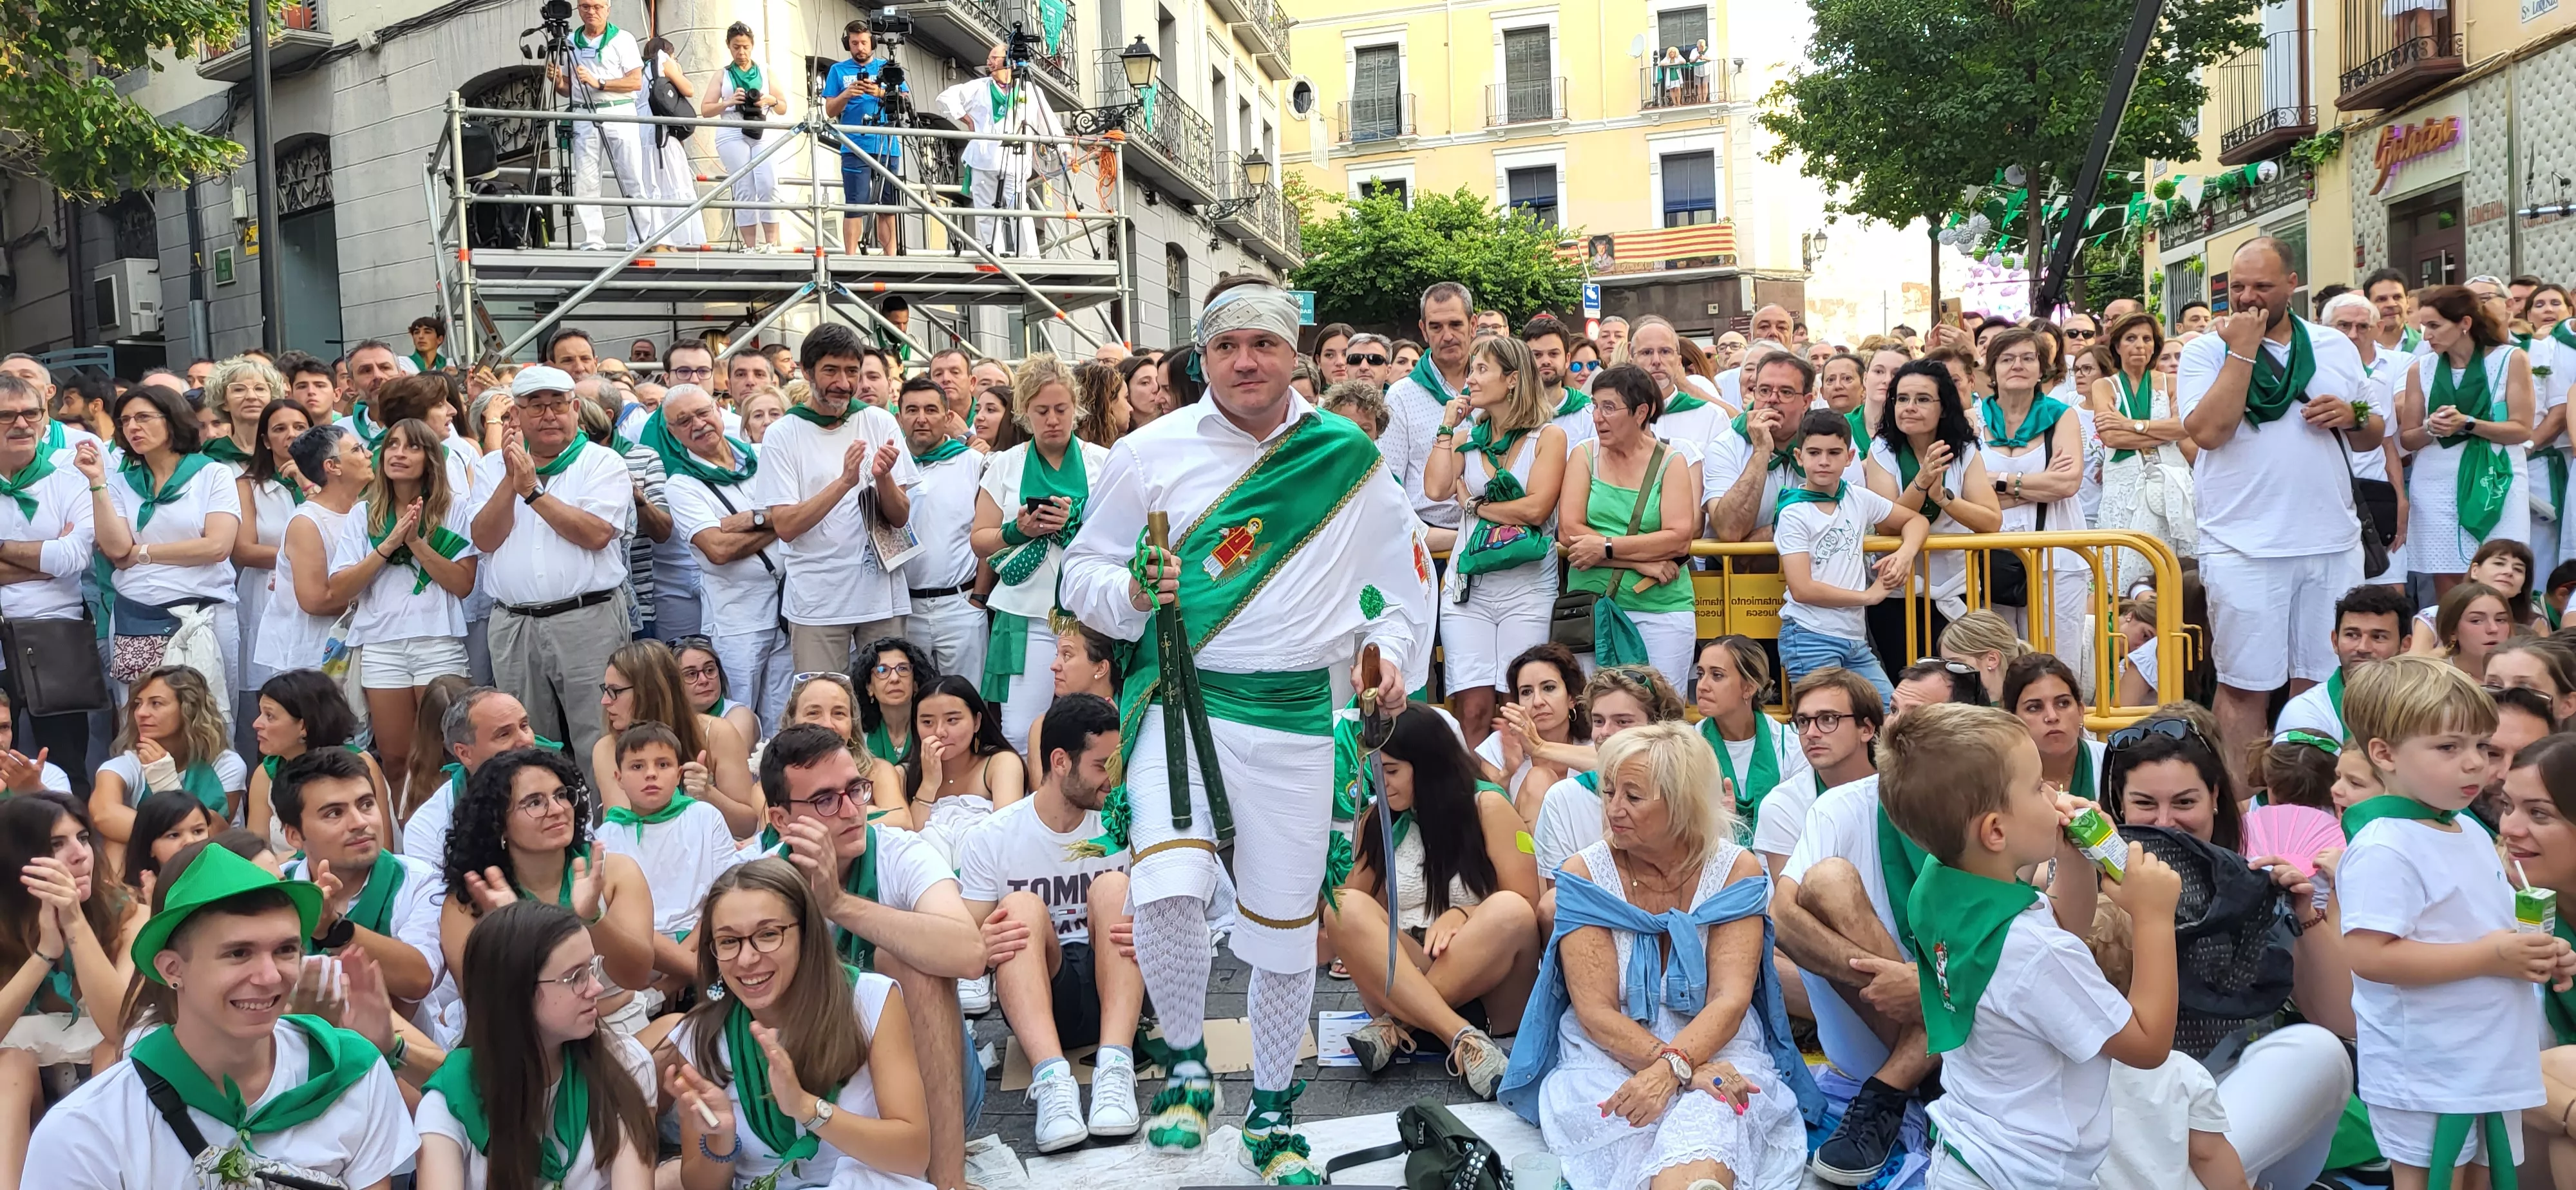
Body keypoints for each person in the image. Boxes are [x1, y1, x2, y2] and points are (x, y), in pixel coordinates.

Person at [1056, 277, 1431, 1180]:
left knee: (1283, 927)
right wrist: (1137, 591)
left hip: (1302, 714)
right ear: (1203, 358)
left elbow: (1402, 585)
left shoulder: (1345, 456)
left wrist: (1387, 664)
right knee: (1168, 888)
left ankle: (1270, 1114)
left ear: (1292, 354)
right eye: (1227, 347)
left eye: (1262, 344)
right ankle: (1185, 1068)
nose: (1245, 361)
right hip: (1179, 704)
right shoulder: (1147, 453)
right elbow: (1081, 574)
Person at [1495, 721, 1823, 1189]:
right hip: (1610, 1050)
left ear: (1682, 802)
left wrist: (1676, 1069)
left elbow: (1730, 1000)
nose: (1614, 809)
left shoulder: (1735, 869)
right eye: (1609, 792)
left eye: (1633, 796)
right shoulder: (1585, 873)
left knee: (1717, 1111)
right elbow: (1595, 1011)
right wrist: (1681, 1069)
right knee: (1634, 1116)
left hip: (1719, 1041)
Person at [1874, 703, 2181, 1189]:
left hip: (1972, 1155)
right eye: (2039, 786)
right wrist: (2154, 918)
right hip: (2030, 1174)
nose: (2056, 794)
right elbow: (2148, 1045)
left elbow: (2061, 927)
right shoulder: (2033, 952)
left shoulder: (1939, 887)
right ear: (1996, 831)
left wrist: (2072, 856)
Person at [28, 843, 415, 1184]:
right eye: (238, 953)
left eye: (285, 950)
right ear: (172, 970)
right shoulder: (86, 1131)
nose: (269, 976)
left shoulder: (350, 1072)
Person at [2341, 656, 2569, 1187]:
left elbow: (2485, 928)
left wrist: (2534, 952)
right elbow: (2370, 955)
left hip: (2487, 1058)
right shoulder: (2385, 845)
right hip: (2427, 1069)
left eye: (2481, 747)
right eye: (2449, 748)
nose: (2475, 765)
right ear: (2384, 753)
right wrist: (2491, 956)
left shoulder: (2467, 831)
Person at [2180, 237, 2382, 781]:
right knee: (2245, 685)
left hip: (2330, 543)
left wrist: (2352, 415)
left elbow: (2372, 433)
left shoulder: (2333, 346)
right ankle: (2243, 810)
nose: (2247, 298)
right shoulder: (2206, 350)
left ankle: (2312, 803)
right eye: (2237, 287)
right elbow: (2208, 432)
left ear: (2293, 284)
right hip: (2242, 545)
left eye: (2262, 287)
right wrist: (2241, 350)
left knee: (2318, 683)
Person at [755, 723, 983, 1190]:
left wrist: (838, 905)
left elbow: (969, 953)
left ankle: (947, 1182)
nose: (850, 810)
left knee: (907, 964)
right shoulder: (757, 881)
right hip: (828, 1091)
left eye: (855, 790)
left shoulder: (901, 852)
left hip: (930, 1087)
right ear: (781, 821)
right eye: (825, 800)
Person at [664, 857, 933, 1190]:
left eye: (768, 934)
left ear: (806, 936)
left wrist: (807, 1108)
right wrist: (720, 1140)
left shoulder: (870, 1000)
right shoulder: (699, 1037)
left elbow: (914, 1155)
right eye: (729, 941)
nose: (747, 959)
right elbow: (700, 1186)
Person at [955, 692, 1142, 1150]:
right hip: (1042, 995)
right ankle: (1054, 1083)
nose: (1112, 781)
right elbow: (966, 952)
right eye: (1102, 766)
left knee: (1114, 890)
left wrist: (1157, 929)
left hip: (1120, 987)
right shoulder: (991, 837)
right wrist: (984, 939)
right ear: (1061, 762)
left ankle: (1115, 1068)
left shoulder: (1129, 821)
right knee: (1018, 908)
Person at [1323, 703, 1536, 1099]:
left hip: (1490, 989)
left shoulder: (1486, 805)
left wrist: (1463, 914)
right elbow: (1354, 913)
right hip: (1409, 974)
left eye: (1392, 771)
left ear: (1429, 765)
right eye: (1375, 769)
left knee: (1511, 911)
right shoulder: (1379, 819)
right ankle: (1458, 1037)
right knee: (1342, 905)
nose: (1380, 782)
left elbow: (1528, 903)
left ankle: (1397, 1027)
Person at [416, 900, 657, 1190]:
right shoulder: (451, 1098)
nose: (596, 988)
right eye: (575, 977)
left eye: (591, 969)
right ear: (515, 992)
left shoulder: (628, 1064)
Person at [470, 366, 636, 773]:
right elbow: (484, 539)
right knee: (524, 741)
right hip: (515, 624)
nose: (549, 415)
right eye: (536, 406)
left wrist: (532, 491)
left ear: (576, 409)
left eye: (558, 405)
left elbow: (596, 534)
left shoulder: (602, 462)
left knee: (599, 736)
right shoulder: (493, 467)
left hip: (587, 619)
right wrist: (511, 478)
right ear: (517, 416)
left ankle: (603, 828)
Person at [437, 746, 657, 1017]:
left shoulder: (615, 871)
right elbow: (490, 1010)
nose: (557, 810)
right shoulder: (469, 902)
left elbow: (636, 976)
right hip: (526, 1046)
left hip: (621, 1027)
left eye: (561, 795)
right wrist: (509, 931)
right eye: (534, 802)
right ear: (499, 823)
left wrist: (593, 918)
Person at [750, 325, 917, 677]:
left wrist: (884, 477)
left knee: (888, 704)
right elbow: (785, 526)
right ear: (806, 371)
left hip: (881, 600)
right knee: (822, 710)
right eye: (831, 370)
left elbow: (900, 518)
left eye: (851, 371)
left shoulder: (879, 420)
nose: (843, 382)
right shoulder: (784, 433)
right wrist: (845, 482)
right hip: (817, 604)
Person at [1426, 335, 1567, 746]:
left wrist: (1475, 507)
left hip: (1527, 591)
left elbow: (1536, 509)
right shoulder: (1466, 436)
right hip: (1467, 591)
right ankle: (1476, 804)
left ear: (1512, 379)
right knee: (1472, 709)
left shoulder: (1549, 437)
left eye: (1481, 369)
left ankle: (1518, 801)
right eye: (1471, 370)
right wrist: (1447, 427)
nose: (1469, 379)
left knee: (1517, 708)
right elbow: (1435, 488)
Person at [339, 417, 480, 801]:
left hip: (437, 640)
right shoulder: (361, 515)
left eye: (412, 446)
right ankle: (404, 843)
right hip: (381, 646)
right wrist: (387, 546)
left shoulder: (457, 510)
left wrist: (416, 542)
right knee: (396, 759)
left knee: (442, 755)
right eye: (393, 445)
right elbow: (343, 587)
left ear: (430, 458)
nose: (399, 453)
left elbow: (462, 584)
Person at [972, 355, 1106, 752]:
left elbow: (1123, 535)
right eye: (1041, 410)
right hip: (1023, 615)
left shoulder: (1103, 462)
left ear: (1076, 409)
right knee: (1019, 730)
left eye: (1061, 409)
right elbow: (980, 539)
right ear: (1024, 414)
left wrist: (1074, 525)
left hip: (1089, 616)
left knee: (1094, 726)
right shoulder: (1004, 465)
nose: (1052, 419)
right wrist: (1019, 530)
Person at [0, 793, 133, 1182]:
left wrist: (75, 925)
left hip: (101, 1089)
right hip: (18, 1100)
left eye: (83, 838)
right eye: (58, 845)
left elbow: (119, 1027)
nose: (80, 855)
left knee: (115, 1050)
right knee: (11, 1063)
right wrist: (44, 954)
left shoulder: (129, 915)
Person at [82, 381, 243, 697]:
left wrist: (141, 553)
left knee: (209, 721)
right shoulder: (119, 482)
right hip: (136, 615)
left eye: (143, 417)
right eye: (125, 421)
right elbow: (116, 549)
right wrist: (97, 483)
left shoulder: (213, 474)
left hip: (204, 612)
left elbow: (217, 547)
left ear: (171, 420)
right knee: (140, 719)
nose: (133, 427)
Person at [652, 386, 790, 732]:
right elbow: (718, 549)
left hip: (790, 606)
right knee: (738, 718)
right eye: (683, 421)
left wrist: (748, 520)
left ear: (718, 408)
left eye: (702, 413)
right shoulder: (681, 485)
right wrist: (779, 520)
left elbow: (803, 508)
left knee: (783, 715)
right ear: (672, 432)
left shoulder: (764, 456)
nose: (697, 424)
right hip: (738, 619)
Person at [1558, 364, 1698, 682]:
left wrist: (1605, 548)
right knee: (1596, 716)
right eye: (1594, 406)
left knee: (1661, 717)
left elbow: (1678, 539)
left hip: (1660, 609)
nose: (1597, 417)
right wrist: (1641, 563)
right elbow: (1569, 531)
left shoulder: (1671, 461)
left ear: (1641, 412)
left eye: (1609, 407)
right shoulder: (1583, 455)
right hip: (1591, 609)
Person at [272, 747, 440, 1009]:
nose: (359, 822)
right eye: (334, 813)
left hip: (396, 1048)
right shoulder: (278, 888)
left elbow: (419, 979)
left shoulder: (420, 881)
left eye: (366, 804)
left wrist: (333, 930)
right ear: (294, 835)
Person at [1776, 409, 1922, 699]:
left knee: (1890, 714)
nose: (1824, 461)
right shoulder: (1793, 512)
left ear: (1850, 457)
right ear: (1799, 456)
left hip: (1854, 638)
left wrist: (1904, 555)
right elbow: (1802, 588)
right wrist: (1868, 596)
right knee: (1823, 724)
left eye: (1834, 453)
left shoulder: (1856, 496)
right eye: (1815, 452)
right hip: (1810, 636)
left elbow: (1917, 521)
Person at [1860, 359, 2000, 661]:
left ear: (1944, 407)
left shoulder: (1964, 450)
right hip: (1897, 592)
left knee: (1959, 686)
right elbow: (1886, 525)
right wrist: (1921, 482)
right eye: (1902, 399)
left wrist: (1945, 498)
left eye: (1922, 399)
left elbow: (1991, 521)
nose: (1909, 407)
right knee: (1910, 684)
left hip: (1957, 589)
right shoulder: (1882, 450)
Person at [2401, 285, 2537, 592]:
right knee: (2448, 582)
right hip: (2437, 483)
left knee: (2501, 576)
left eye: (2434, 326)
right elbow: (2408, 439)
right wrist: (2430, 428)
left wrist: (2469, 424)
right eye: (2424, 326)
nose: (2426, 336)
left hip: (2495, 479)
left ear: (2465, 323)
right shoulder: (2420, 369)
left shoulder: (2510, 359)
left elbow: (2522, 429)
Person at [598, 720, 741, 1001]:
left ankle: (664, 992)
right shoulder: (608, 835)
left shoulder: (704, 816)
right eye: (637, 767)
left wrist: (683, 956)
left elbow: (724, 893)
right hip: (640, 950)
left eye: (663, 765)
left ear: (678, 774)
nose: (651, 774)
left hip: (702, 939)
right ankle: (673, 987)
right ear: (619, 778)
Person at [0, 373, 96, 784]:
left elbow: (74, 556)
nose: (21, 424)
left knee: (65, 764)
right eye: (5, 416)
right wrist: (44, 556)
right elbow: (58, 556)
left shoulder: (69, 480)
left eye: (31, 414)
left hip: (54, 635)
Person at [1529, 665, 1692, 881]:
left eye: (1622, 722)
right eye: (1598, 721)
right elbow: (1558, 902)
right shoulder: (1562, 798)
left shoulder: (1685, 791)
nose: (1605, 733)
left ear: (1659, 726)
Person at [592, 639, 760, 836]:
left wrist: (707, 793)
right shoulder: (607, 748)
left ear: (649, 691)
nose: (605, 702)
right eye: (606, 691)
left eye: (615, 692)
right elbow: (629, 830)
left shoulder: (716, 733)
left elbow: (748, 826)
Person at [256, 424, 367, 686]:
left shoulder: (363, 509)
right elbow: (315, 601)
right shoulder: (307, 522)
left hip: (353, 647)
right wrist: (381, 597)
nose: (368, 455)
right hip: (311, 659)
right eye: (357, 449)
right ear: (333, 466)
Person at [88, 665, 245, 847]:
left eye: (156, 703)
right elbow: (103, 815)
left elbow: (216, 836)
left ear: (189, 709)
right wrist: (173, 835)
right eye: (138, 704)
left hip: (206, 864)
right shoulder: (126, 764)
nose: (141, 713)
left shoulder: (225, 764)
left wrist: (166, 784)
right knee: (116, 845)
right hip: (147, 864)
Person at [245, 667, 393, 855]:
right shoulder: (265, 774)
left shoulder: (361, 766)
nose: (256, 724)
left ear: (304, 726)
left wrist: (296, 861)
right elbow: (257, 854)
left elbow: (383, 850)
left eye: (270, 716)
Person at [896, 377, 986, 682]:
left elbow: (987, 532)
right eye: (912, 410)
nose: (921, 419)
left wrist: (978, 600)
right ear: (899, 417)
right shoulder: (888, 467)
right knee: (912, 704)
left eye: (931, 410)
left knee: (968, 701)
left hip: (960, 605)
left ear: (948, 417)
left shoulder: (974, 464)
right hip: (906, 608)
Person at [936, 43, 1063, 257]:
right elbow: (945, 98)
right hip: (983, 160)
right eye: (989, 58)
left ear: (1009, 61)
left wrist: (1063, 147)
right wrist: (966, 120)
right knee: (986, 212)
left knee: (1018, 208)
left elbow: (1047, 121)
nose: (989, 62)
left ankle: (1028, 257)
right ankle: (993, 254)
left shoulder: (1028, 89)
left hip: (1015, 160)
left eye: (994, 57)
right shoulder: (979, 87)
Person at [1690, 636, 1812, 855]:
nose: (1702, 686)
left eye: (1716, 675)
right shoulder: (1687, 745)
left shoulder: (1790, 744)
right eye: (1701, 674)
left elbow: (1803, 820)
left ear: (1749, 688)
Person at [1762, 667, 1882, 874]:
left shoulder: (1904, 791)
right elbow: (1790, 903)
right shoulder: (1782, 805)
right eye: (1803, 722)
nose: (1811, 733)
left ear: (1867, 729)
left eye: (1828, 719)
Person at [1383, 282, 1478, 536]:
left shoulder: (1497, 389)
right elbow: (1388, 485)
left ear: (1474, 325)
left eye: (1456, 324)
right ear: (1424, 331)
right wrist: (1425, 537)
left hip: (1494, 537)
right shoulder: (1401, 396)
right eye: (1436, 327)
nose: (1447, 336)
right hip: (1431, 541)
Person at [903, 675, 1024, 873]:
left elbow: (1005, 835)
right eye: (927, 722)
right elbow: (911, 839)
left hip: (988, 876)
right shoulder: (905, 775)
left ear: (977, 722)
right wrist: (929, 784)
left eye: (952, 720)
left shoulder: (1000, 764)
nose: (940, 732)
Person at [553, 0, 647, 252]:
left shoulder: (623, 39)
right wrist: (558, 81)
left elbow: (636, 82)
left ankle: (639, 239)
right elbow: (568, 89)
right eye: (585, 6)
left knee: (632, 176)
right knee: (586, 179)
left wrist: (600, 82)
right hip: (584, 114)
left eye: (596, 6)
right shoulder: (570, 41)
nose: (591, 12)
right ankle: (593, 240)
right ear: (578, 9)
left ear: (608, 8)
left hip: (619, 111)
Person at [1703, 350, 1818, 543]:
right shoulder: (1725, 445)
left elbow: (1845, 514)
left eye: (1786, 392)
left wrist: (1774, 532)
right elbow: (1730, 530)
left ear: (1806, 402)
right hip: (1736, 573)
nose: (1772, 399)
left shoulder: (1831, 440)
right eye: (1764, 391)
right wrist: (1761, 451)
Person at [784, 672, 912, 830]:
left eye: (839, 713)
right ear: (792, 723)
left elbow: (902, 821)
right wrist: (869, 813)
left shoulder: (876, 771)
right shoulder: (778, 779)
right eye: (813, 713)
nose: (827, 724)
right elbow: (780, 834)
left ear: (852, 726)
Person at [822, 19, 907, 255]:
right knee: (855, 205)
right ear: (847, 45)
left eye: (863, 42)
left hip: (887, 146)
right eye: (854, 43)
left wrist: (879, 92)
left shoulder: (888, 67)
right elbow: (830, 110)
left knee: (888, 207)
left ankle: (890, 259)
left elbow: (906, 102)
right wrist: (847, 94)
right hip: (854, 147)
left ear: (872, 43)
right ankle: (851, 258)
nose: (860, 47)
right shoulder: (838, 71)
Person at [1477, 641, 1590, 811]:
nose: (1537, 702)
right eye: (1527, 692)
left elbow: (1610, 763)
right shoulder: (1500, 744)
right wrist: (1508, 773)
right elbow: (1486, 813)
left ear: (1571, 698)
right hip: (1519, 835)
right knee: (1539, 778)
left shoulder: (1593, 744)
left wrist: (1539, 748)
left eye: (1549, 688)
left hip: (1586, 836)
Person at [705, 21, 788, 253]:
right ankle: (749, 245)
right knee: (744, 185)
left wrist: (769, 100)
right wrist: (730, 102)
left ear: (752, 46)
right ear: (729, 48)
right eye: (736, 47)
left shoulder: (765, 70)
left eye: (745, 47)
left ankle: (772, 244)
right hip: (732, 130)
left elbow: (783, 107)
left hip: (762, 128)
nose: (741, 53)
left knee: (768, 182)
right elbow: (706, 109)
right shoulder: (722, 74)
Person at [677, 636, 764, 753]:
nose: (704, 680)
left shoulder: (739, 716)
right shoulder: (667, 717)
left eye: (709, 670)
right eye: (691, 674)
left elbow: (729, 762)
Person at [2425, 580, 2516, 685]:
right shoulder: (2434, 680)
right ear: (2452, 631)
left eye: (2500, 620)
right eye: (2476, 621)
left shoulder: (2527, 671)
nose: (2493, 629)